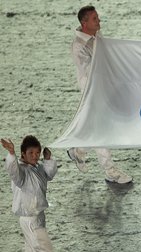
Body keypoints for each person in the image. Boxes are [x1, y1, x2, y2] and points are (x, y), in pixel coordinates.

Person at [67, 5, 132, 184]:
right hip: (93, 92)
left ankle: (79, 149)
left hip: (104, 88)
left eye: (98, 17)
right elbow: (90, 72)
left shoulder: (96, 36)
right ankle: (110, 171)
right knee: (104, 128)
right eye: (94, 19)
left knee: (101, 127)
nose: (99, 21)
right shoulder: (79, 46)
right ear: (84, 22)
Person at [2, 136, 58, 252]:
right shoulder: (21, 170)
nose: (35, 156)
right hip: (31, 221)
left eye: (37, 152)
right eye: (31, 152)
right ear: (23, 153)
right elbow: (13, 171)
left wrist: (47, 159)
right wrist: (12, 153)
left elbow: (48, 175)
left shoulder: (37, 168)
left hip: (38, 218)